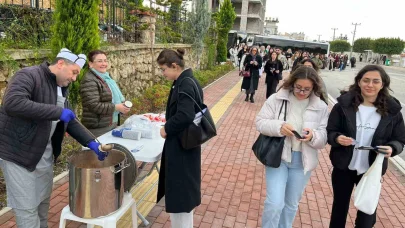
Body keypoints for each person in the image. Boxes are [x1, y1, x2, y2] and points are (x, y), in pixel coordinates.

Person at [0, 48, 106, 228]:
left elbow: (70, 120)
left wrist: (91, 142)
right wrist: (57, 112)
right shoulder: (28, 75)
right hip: (18, 154)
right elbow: (13, 103)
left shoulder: (62, 87)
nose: (74, 78)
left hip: (43, 155)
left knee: (42, 204)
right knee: (27, 208)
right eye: (73, 72)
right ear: (60, 64)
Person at [327, 65, 405, 228]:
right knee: (339, 211)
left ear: (382, 84)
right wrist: (337, 138)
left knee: (367, 216)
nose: (370, 85)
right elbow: (331, 131)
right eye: (366, 80)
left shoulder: (392, 111)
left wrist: (392, 148)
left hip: (371, 170)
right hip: (344, 167)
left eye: (376, 81)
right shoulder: (343, 105)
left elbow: (399, 139)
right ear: (359, 82)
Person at [256, 66, 328, 228]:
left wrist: (313, 136)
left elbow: (324, 138)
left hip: (302, 162)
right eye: (298, 87)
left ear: (314, 87)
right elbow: (260, 122)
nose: (302, 92)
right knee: (274, 202)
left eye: (307, 89)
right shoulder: (277, 99)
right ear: (292, 83)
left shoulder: (321, 107)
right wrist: (279, 127)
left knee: (291, 205)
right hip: (278, 158)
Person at [156, 48, 202, 228]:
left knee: (181, 197)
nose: (163, 73)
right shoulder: (184, 81)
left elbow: (185, 115)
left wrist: (166, 128)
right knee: (182, 197)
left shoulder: (186, 83)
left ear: (174, 66)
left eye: (163, 69)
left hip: (182, 147)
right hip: (185, 145)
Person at [80, 50, 130, 137]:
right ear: (91, 64)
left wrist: (122, 107)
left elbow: (111, 98)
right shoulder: (89, 80)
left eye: (105, 60)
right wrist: (116, 107)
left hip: (111, 123)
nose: (104, 64)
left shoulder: (106, 77)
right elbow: (93, 105)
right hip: (98, 127)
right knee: (99, 150)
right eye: (99, 61)